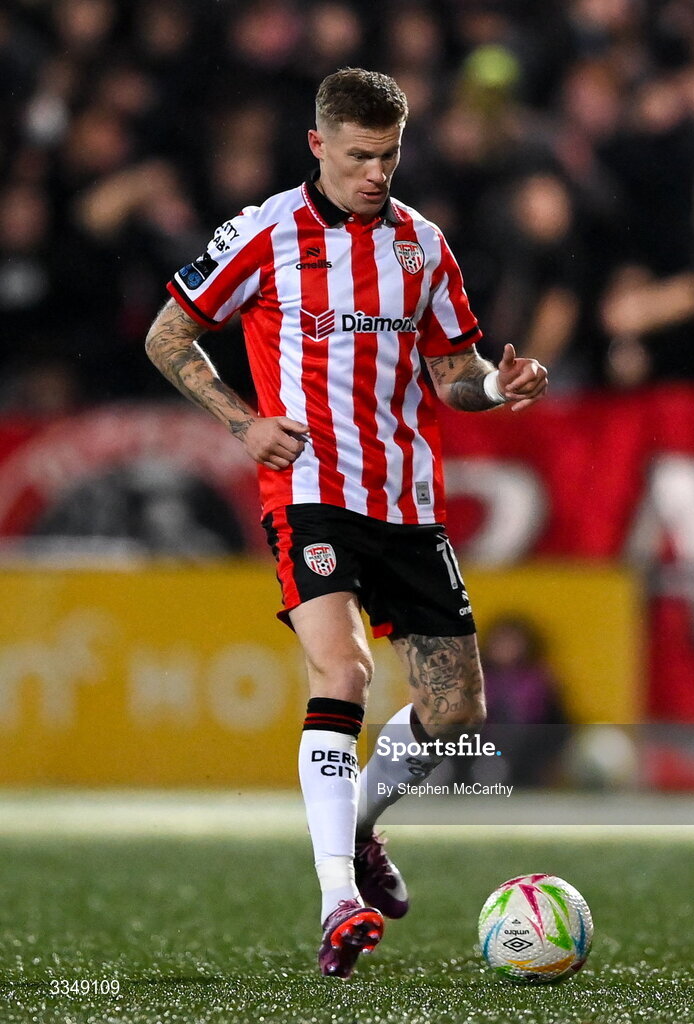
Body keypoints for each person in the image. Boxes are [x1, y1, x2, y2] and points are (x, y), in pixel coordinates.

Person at [145, 67, 548, 979]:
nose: (376, 172)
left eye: (390, 154)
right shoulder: (264, 231)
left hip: (407, 500)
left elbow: (454, 374)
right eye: (360, 155)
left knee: (456, 713)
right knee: (345, 670)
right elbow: (168, 334)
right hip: (310, 487)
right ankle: (338, 900)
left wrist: (497, 386)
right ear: (318, 145)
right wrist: (242, 421)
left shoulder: (423, 247)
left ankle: (359, 827)